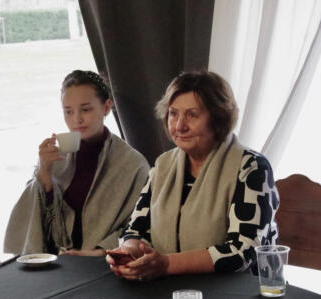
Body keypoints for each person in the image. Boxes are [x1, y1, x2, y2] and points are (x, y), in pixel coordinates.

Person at [107, 71, 279, 280]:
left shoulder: (252, 167)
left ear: (218, 118)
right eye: (173, 114)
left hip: (241, 292)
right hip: (170, 288)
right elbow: (135, 230)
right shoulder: (163, 165)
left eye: (192, 115)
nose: (179, 126)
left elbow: (244, 251)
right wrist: (128, 253)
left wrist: (167, 264)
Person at [4, 70, 150, 256]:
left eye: (85, 109)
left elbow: (140, 226)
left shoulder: (132, 164)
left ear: (106, 107)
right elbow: (34, 224)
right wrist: (44, 174)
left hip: (104, 263)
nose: (77, 119)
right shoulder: (54, 158)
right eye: (68, 111)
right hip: (53, 263)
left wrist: (99, 252)